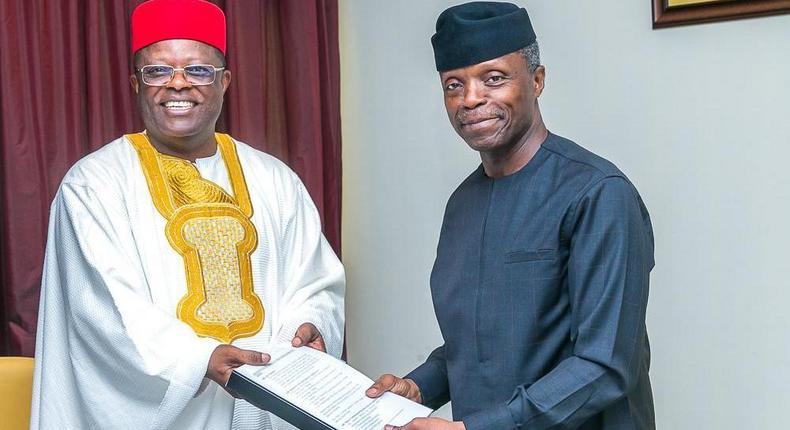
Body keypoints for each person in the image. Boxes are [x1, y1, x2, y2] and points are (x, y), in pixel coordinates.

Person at [29, 0, 344, 429]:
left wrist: (310, 323)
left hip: (262, 406)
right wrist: (200, 359)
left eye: (198, 71)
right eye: (158, 71)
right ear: (134, 83)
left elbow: (314, 279)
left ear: (225, 82)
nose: (178, 85)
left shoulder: (274, 179)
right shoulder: (93, 185)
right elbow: (102, 308)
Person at [366, 2, 655, 429]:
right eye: (453, 85)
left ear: (536, 81)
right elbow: (482, 346)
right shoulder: (462, 204)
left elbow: (605, 363)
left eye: (494, 78)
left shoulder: (598, 194)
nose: (471, 99)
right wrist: (419, 387)